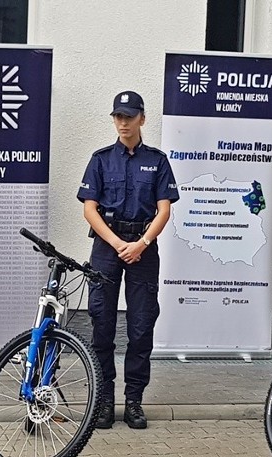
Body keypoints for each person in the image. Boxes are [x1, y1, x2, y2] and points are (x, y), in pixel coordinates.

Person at [77, 91, 179, 429]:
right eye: (118, 117)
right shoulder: (101, 159)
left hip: (144, 248)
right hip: (108, 247)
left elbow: (164, 209)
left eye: (129, 116)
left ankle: (133, 400)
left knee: (140, 327)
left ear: (142, 119)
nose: (122, 123)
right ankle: (104, 399)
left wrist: (142, 243)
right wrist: (119, 242)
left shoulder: (158, 160)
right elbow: (89, 208)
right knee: (102, 325)